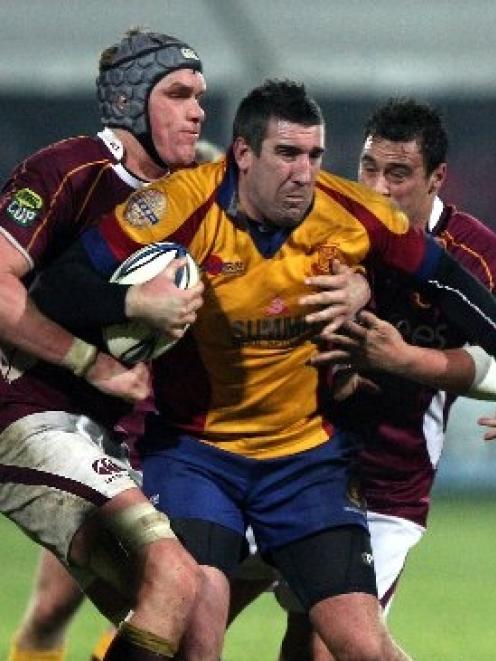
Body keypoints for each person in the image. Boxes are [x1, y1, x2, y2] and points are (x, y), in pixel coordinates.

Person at [32, 80, 496, 661]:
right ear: (243, 154)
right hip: (199, 457)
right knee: (197, 637)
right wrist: (133, 304)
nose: (304, 172)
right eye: (287, 154)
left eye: (314, 155)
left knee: (360, 646)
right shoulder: (179, 206)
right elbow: (61, 284)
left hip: (308, 465)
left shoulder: (354, 215)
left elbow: (453, 286)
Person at [2, 28, 207, 661]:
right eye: (177, 93)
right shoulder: (67, 170)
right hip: (26, 413)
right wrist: (89, 359)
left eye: (200, 95)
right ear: (129, 101)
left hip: (102, 433)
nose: (198, 110)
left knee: (190, 629)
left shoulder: (188, 196)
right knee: (173, 576)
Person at [275, 98, 496, 660]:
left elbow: (485, 351)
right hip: (287, 464)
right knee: (193, 602)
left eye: (397, 174)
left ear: (436, 178)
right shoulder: (318, 224)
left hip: (386, 486)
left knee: (332, 646)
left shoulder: (473, 254)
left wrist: (398, 360)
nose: (377, 188)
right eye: (368, 167)